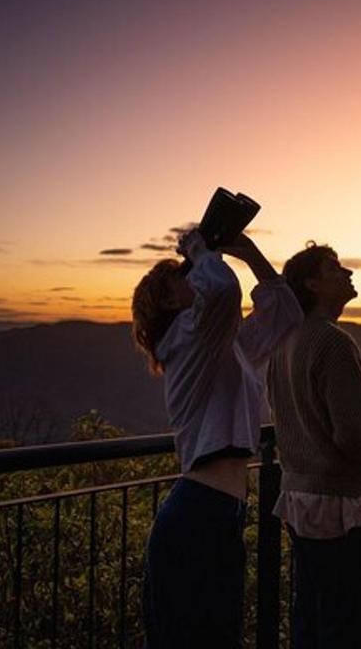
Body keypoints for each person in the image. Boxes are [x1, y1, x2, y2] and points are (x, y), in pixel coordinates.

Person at [130, 230, 302, 648]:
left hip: (221, 511)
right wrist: (197, 249)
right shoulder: (184, 339)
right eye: (182, 279)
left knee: (218, 635)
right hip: (198, 513)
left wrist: (250, 252)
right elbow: (223, 289)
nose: (195, 278)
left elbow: (286, 318)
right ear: (171, 302)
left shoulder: (222, 346)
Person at [265, 243, 361, 649]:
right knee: (348, 623)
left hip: (298, 496)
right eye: (334, 268)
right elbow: (355, 432)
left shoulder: (285, 343)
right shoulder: (332, 342)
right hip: (338, 503)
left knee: (312, 613)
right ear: (312, 283)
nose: (348, 272)